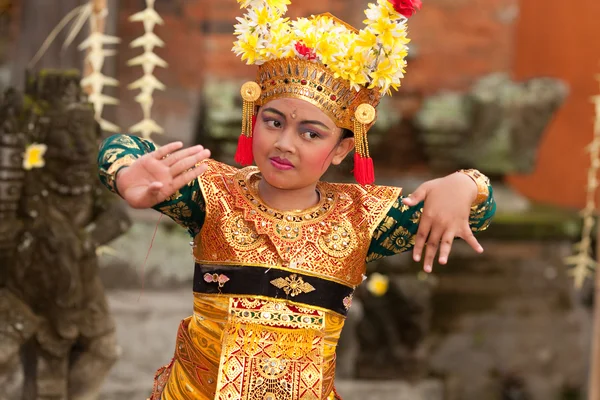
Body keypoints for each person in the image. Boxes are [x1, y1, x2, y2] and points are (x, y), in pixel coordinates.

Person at [98, 0, 495, 398]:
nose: (284, 144)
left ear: (340, 150)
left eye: (310, 133)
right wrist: (125, 171)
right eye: (273, 123)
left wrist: (466, 183)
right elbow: (120, 148)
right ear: (253, 120)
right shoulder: (213, 192)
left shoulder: (362, 217)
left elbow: (478, 213)